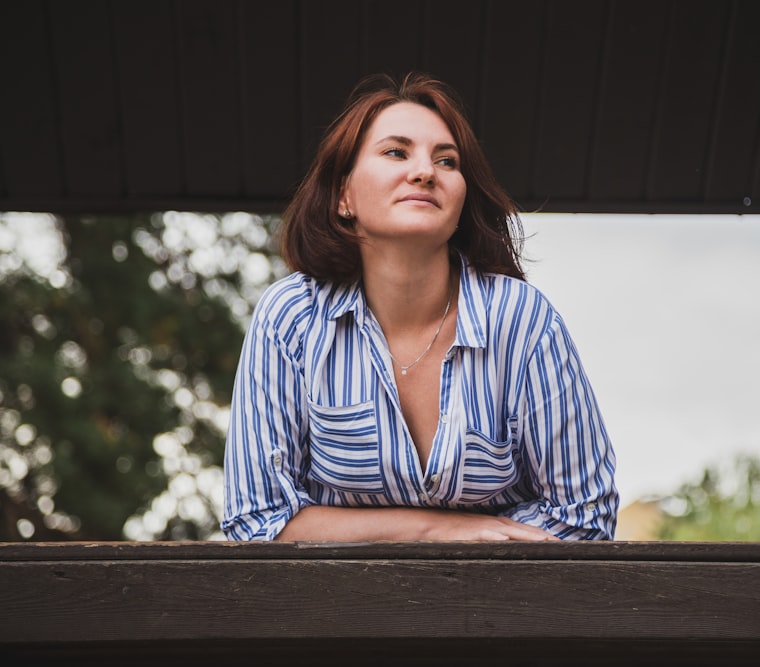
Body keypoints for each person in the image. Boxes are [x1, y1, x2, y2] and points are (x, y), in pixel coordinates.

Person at [222, 72, 617, 542]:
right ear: (344, 195)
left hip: (498, 609)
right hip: (332, 610)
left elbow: (586, 516)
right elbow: (257, 520)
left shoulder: (523, 319)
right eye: (396, 152)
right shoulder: (291, 318)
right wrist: (436, 531)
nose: (425, 171)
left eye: (446, 161)